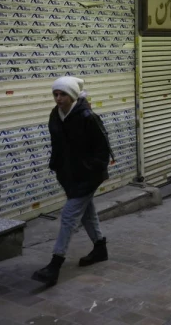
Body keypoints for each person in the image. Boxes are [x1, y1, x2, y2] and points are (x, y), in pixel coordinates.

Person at [32, 77, 112, 287]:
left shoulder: (87, 116)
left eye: (63, 94)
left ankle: (55, 264)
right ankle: (100, 248)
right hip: (68, 174)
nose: (58, 98)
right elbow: (57, 144)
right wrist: (56, 165)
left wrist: (89, 169)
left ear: (73, 96)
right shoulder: (55, 115)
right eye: (55, 94)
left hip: (88, 176)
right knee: (87, 212)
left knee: (68, 215)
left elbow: (103, 150)